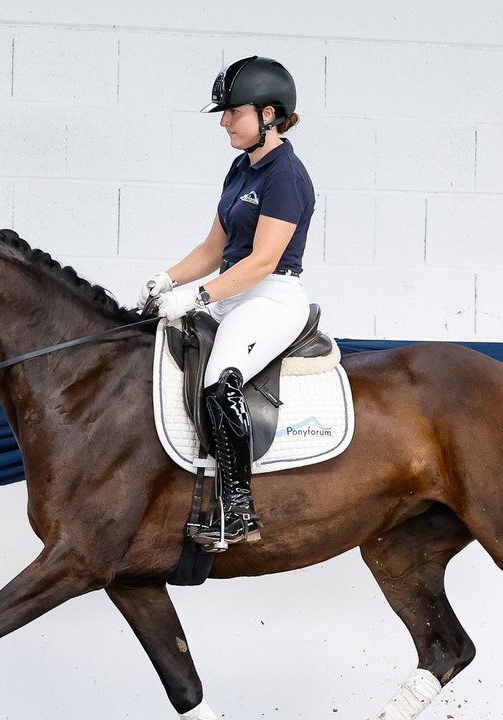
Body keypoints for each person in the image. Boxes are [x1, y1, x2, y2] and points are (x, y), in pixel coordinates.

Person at [141, 55, 316, 550]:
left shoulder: (286, 175)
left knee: (221, 383)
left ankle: (240, 508)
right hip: (230, 293)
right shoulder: (241, 167)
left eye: (233, 112)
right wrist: (166, 280)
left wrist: (195, 295)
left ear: (268, 114)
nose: (224, 121)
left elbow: (261, 261)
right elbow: (214, 249)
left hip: (270, 297)